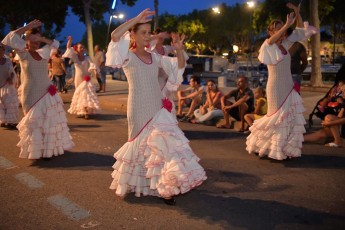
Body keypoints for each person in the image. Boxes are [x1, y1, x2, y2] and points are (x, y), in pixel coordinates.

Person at [105, 8, 206, 205]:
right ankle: (143, 184)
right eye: (142, 32)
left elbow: (178, 67)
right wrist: (135, 19)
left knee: (162, 148)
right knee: (142, 147)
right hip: (138, 108)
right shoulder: (127, 56)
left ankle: (165, 188)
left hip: (157, 107)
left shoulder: (155, 57)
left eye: (149, 32)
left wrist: (177, 49)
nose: (147, 36)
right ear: (132, 35)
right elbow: (115, 35)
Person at [2, 19, 74, 159]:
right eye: (33, 39)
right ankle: (36, 151)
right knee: (34, 122)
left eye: (38, 40)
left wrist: (40, 37)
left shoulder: (45, 52)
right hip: (30, 92)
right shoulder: (22, 52)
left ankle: (48, 150)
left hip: (47, 90)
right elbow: (9, 37)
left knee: (48, 121)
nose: (36, 42)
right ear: (27, 39)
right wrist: (28, 27)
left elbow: (56, 44)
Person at [246, 2, 309, 160]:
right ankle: (268, 147)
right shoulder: (268, 46)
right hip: (274, 87)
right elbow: (271, 41)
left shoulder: (287, 44)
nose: (282, 29)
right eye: (277, 27)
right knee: (275, 118)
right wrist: (287, 24)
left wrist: (297, 12)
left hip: (288, 85)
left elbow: (301, 31)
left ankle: (284, 148)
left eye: (283, 27)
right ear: (271, 31)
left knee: (288, 117)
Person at [63, 36, 100, 119]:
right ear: (77, 49)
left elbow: (92, 64)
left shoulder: (87, 58)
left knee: (86, 95)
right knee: (79, 95)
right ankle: (81, 111)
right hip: (78, 79)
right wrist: (70, 40)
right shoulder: (75, 57)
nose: (82, 48)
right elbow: (68, 48)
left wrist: (95, 71)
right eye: (80, 47)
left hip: (86, 79)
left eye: (83, 47)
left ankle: (86, 112)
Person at [0, 43, 19, 129]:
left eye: (1, 51)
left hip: (7, 85)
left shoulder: (7, 61)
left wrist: (11, 78)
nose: (0, 52)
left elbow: (12, 71)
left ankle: (11, 121)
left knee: (10, 103)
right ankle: (2, 120)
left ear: (3, 51)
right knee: (0, 105)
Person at [287, 29, 308, 94]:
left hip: (295, 75)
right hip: (283, 75)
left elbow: (305, 62)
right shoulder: (282, 45)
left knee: (295, 95)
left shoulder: (298, 46)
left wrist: (299, 71)